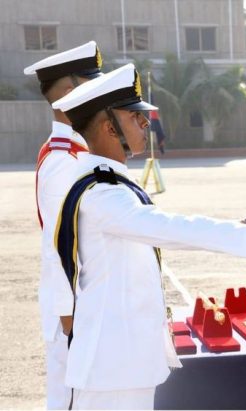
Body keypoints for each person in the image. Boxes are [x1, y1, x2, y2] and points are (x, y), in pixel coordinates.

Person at [50, 63, 246, 409]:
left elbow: (168, 227)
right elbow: (176, 229)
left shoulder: (107, 186)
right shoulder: (103, 195)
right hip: (112, 370)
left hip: (121, 363)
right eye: (135, 117)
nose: (146, 124)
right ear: (107, 127)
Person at [23, 41, 103, 410]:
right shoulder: (62, 160)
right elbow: (59, 250)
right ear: (71, 93)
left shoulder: (78, 151)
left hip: (85, 308)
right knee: (71, 401)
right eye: (94, 83)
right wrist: (71, 323)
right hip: (74, 314)